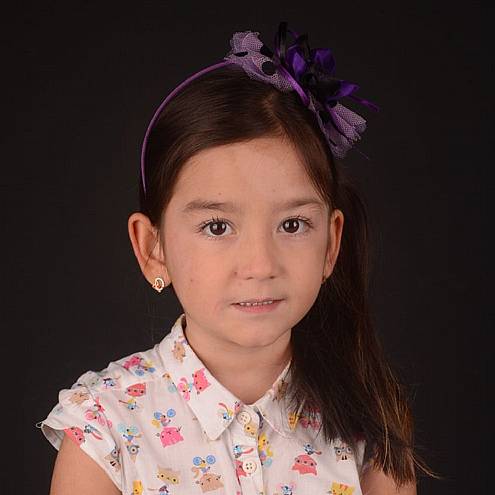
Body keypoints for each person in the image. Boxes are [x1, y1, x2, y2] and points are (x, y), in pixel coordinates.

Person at [36, 22, 439, 495]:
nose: (260, 265)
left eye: (292, 225)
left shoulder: (370, 424)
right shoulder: (104, 427)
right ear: (152, 248)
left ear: (331, 245)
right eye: (217, 227)